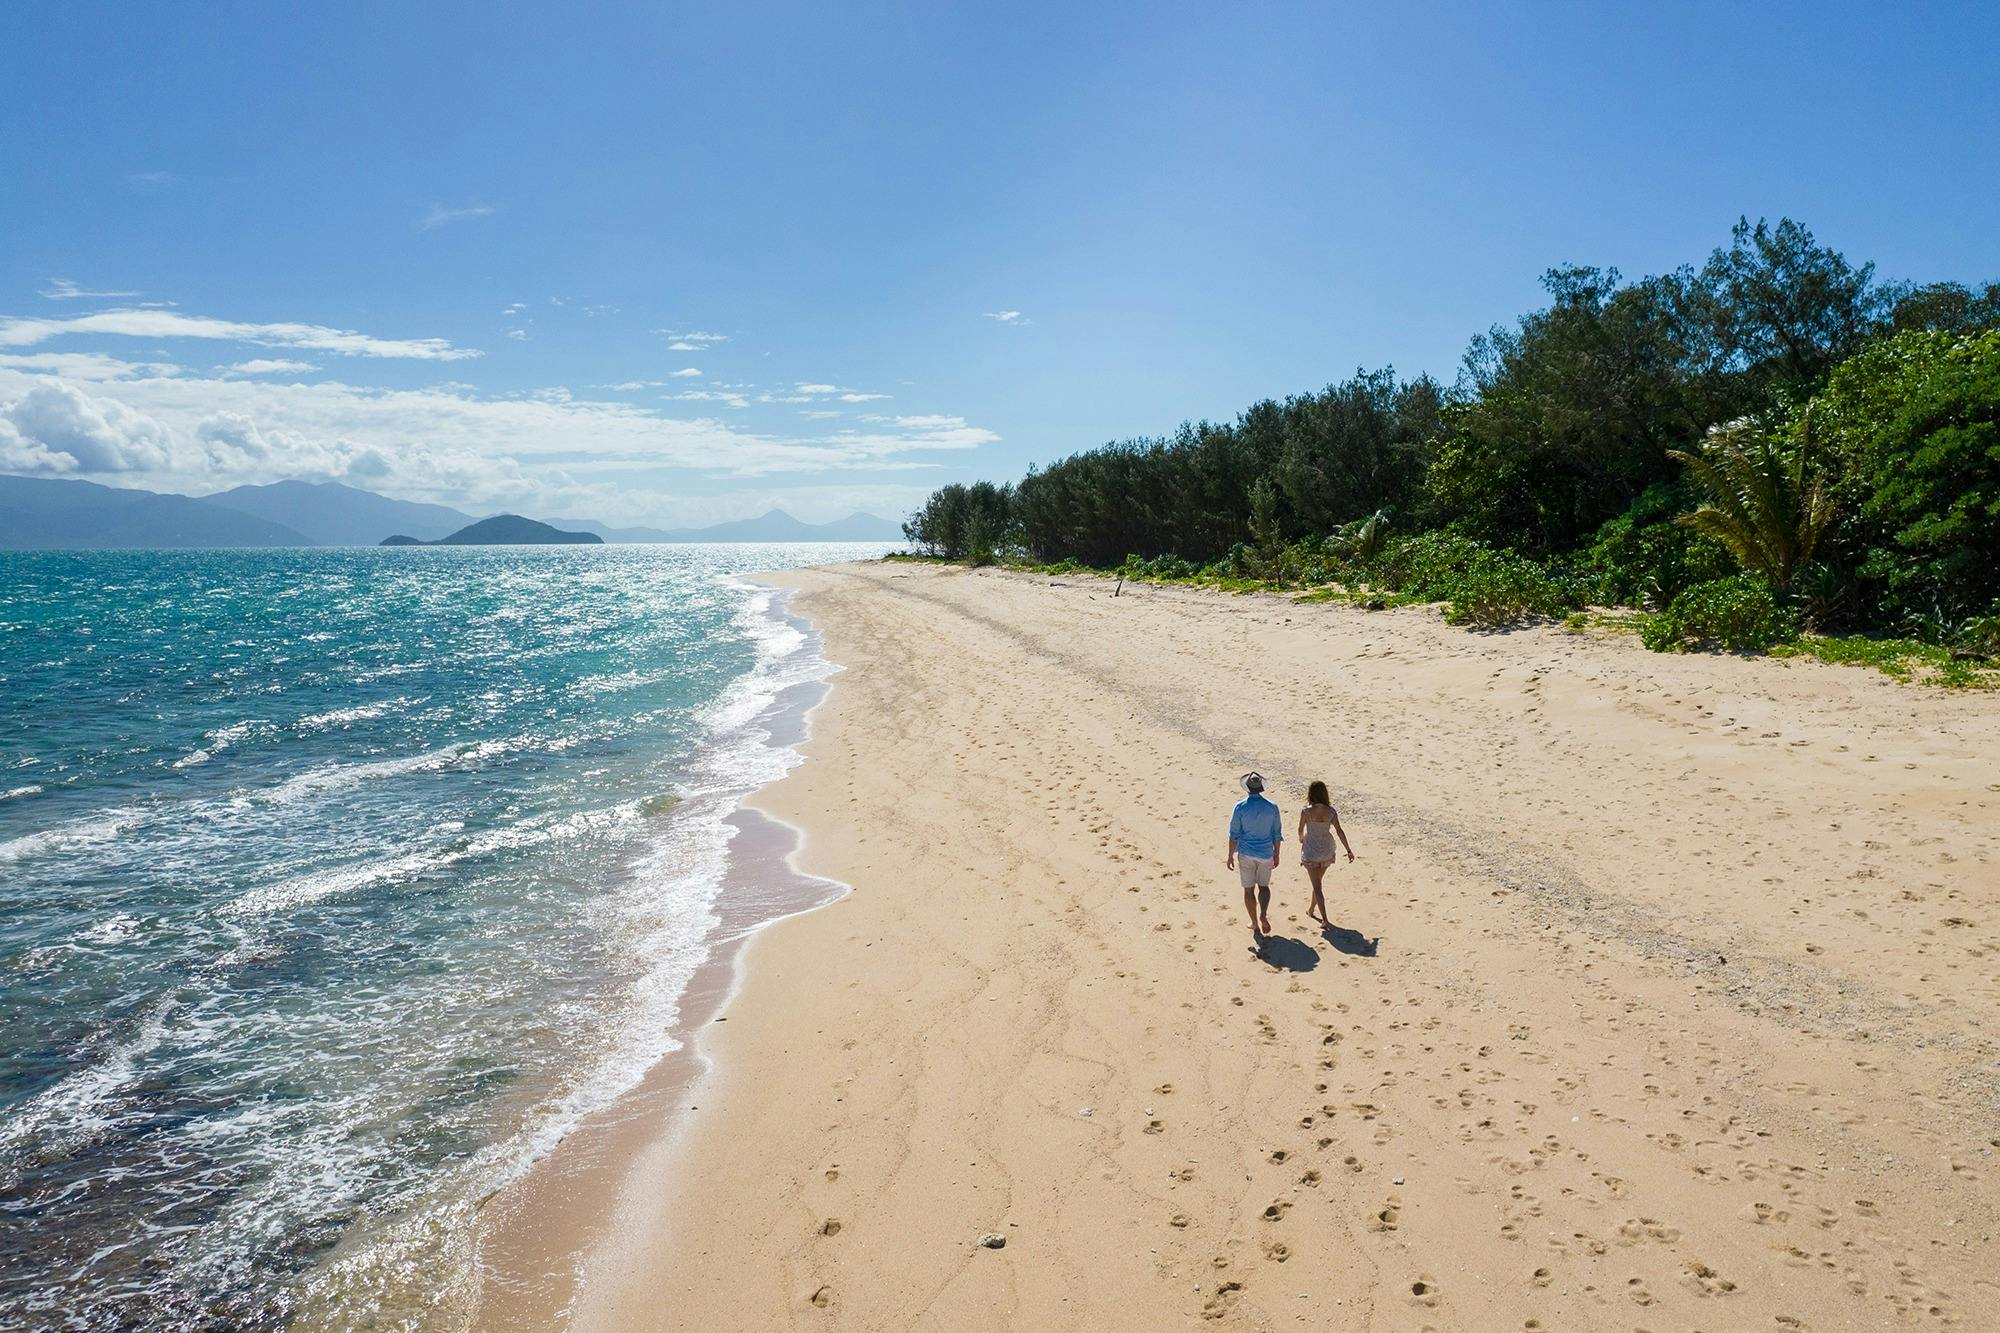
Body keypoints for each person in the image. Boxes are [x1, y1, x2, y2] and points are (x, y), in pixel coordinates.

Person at [1226, 772, 1284, 939]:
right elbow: (1276, 833)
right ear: (1261, 787)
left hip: (1246, 853)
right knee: (1264, 887)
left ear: (1248, 788)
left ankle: (1254, 923)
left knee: (1248, 889)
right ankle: (1263, 913)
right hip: (1266, 853)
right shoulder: (1272, 807)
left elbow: (1233, 834)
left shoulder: (1240, 807)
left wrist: (1230, 855)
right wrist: (1277, 853)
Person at [1297, 780, 1355, 926]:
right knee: (1318, 883)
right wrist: (1348, 849)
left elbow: (1300, 829)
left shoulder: (1306, 811)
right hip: (1327, 850)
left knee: (1317, 886)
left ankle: (1324, 919)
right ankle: (1311, 910)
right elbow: (1339, 831)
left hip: (1311, 851)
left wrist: (1301, 838)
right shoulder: (1331, 812)